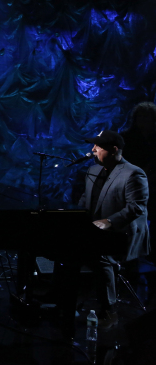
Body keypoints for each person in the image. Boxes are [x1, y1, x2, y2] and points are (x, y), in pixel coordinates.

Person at [77, 130, 150, 329]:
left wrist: (108, 221)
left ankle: (108, 309)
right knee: (66, 247)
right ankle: (61, 301)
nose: (93, 150)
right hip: (98, 232)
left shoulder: (133, 173)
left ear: (114, 150)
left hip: (122, 233)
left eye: (98, 147)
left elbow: (137, 207)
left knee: (101, 256)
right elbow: (86, 200)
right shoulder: (93, 171)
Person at [121, 102, 156, 261]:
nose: (144, 121)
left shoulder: (153, 139)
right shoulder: (126, 138)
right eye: (141, 117)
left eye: (147, 118)